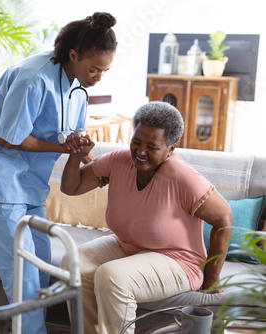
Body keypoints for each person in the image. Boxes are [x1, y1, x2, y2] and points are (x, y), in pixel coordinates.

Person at [0, 12, 117, 334]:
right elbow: (9, 137)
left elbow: (73, 140)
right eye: (94, 68)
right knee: (24, 277)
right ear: (73, 55)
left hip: (31, 185)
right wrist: (65, 150)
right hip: (0, 182)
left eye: (105, 70)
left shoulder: (78, 90)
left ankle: (28, 329)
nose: (99, 76)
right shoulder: (34, 77)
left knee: (42, 267)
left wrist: (92, 160)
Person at [60, 101, 233, 334]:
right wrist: (76, 155)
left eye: (152, 147)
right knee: (74, 261)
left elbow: (223, 218)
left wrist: (212, 280)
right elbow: (72, 187)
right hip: (129, 246)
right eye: (137, 142)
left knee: (112, 276)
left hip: (179, 261)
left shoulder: (181, 176)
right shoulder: (119, 161)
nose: (140, 152)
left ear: (171, 149)